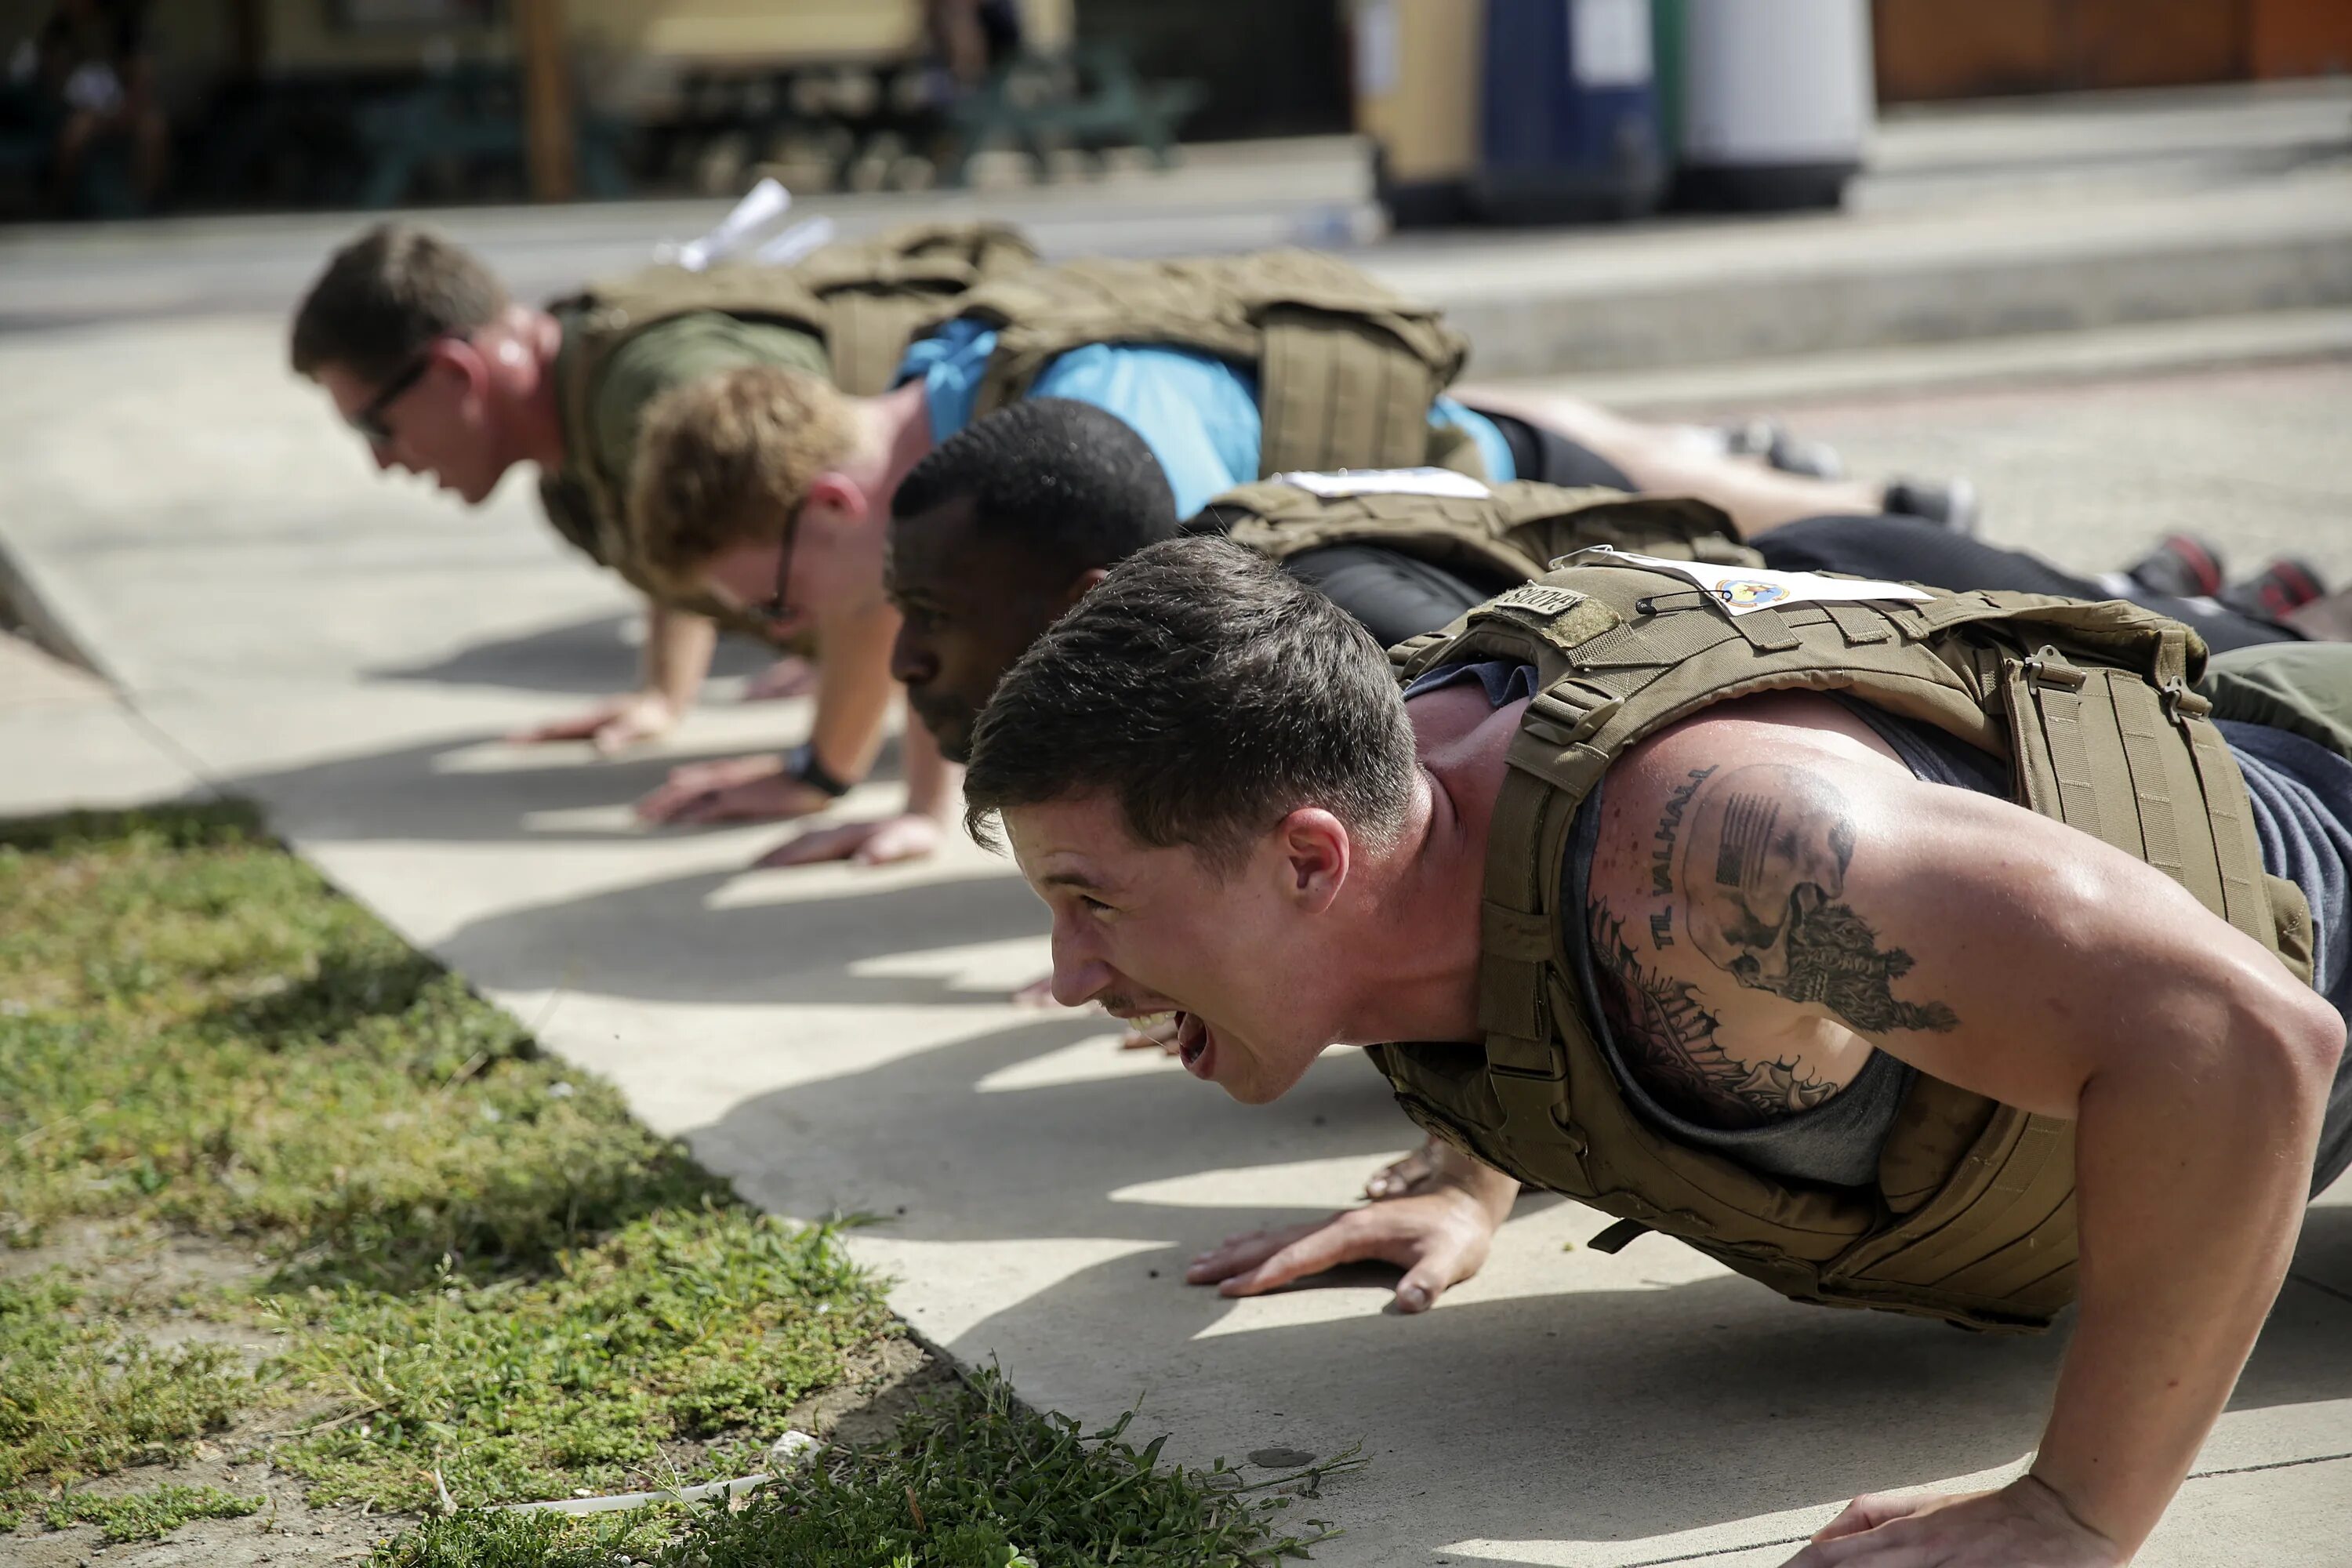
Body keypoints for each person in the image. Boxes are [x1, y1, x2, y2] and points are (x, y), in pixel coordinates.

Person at [959, 537, 2351, 1566]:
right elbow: (1480, 938)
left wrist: (2075, 1510)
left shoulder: (1699, 855)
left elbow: (2236, 1038)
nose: (1073, 978)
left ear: (1309, 862)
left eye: (1096, 904)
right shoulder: (1384, 813)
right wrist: (1469, 1162)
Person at [622, 245, 1973, 863]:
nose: (803, 633)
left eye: (778, 604)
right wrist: (912, 804)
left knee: (1793, 553)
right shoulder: (943, 404)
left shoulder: (1101, 437)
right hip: (1467, 466)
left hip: (1502, 506)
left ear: (834, 510)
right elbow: (959, 627)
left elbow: (1235, 655)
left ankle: (1902, 508)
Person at [285, 220, 1031, 863]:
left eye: (375, 427)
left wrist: (820, 773)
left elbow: (869, 555)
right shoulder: (576, 428)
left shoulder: (656, 384)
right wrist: (664, 694)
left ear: (454, 371)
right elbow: (696, 523)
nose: (383, 461)